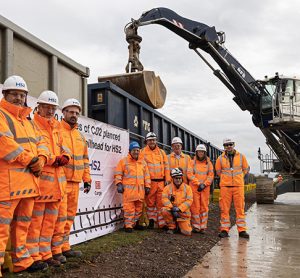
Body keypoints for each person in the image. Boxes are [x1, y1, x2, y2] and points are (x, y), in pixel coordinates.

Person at [0, 75, 49, 273]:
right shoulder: (2, 115)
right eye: (15, 94)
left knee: (23, 226)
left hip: (28, 183)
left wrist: (42, 159)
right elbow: (4, 143)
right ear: (5, 94)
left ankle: (22, 262)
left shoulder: (28, 121)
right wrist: (31, 160)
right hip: (7, 184)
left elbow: (42, 143)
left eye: (22, 95)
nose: (19, 98)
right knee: (1, 229)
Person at [26, 91, 70, 267]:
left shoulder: (57, 127)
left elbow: (63, 147)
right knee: (35, 222)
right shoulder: (32, 125)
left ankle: (46, 254)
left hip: (57, 186)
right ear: (39, 107)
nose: (50, 111)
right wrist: (54, 159)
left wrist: (66, 156)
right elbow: (37, 150)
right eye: (47, 107)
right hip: (41, 183)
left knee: (50, 223)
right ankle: (34, 256)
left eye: (53, 108)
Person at [52, 98, 91, 262]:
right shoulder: (56, 130)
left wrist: (86, 178)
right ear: (64, 112)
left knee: (69, 217)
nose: (74, 115)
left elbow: (85, 159)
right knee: (58, 218)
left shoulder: (80, 136)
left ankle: (64, 247)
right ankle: (55, 250)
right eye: (71, 112)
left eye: (76, 113)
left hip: (75, 183)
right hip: (60, 182)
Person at [215, 138, 250, 239]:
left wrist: (239, 178)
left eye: (230, 144)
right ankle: (224, 230)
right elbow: (218, 172)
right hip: (225, 187)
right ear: (224, 147)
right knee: (224, 209)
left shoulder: (241, 157)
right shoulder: (220, 159)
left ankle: (242, 230)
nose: (229, 146)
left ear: (234, 145)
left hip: (238, 186)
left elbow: (245, 169)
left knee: (240, 209)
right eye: (226, 145)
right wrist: (227, 179)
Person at [114, 141, 151, 232]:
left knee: (138, 209)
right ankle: (128, 226)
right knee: (129, 210)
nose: (136, 152)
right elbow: (118, 174)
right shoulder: (123, 161)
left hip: (140, 191)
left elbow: (147, 176)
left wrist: (148, 186)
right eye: (134, 150)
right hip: (129, 192)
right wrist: (119, 184)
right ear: (130, 151)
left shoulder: (143, 163)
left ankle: (134, 224)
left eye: (137, 150)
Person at [141, 132, 171, 229]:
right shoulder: (142, 152)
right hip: (150, 182)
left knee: (161, 203)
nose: (152, 142)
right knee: (150, 203)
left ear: (156, 141)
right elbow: (141, 168)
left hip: (161, 182)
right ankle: (151, 221)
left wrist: (167, 179)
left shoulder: (162, 153)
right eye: (150, 140)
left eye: (153, 140)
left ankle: (161, 223)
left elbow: (166, 167)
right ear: (147, 141)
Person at [187, 144, 214, 233]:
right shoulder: (192, 162)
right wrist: (198, 184)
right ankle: (196, 226)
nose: (200, 153)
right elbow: (189, 174)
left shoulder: (209, 163)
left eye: (202, 151)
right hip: (195, 188)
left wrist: (205, 184)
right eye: (199, 151)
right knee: (195, 207)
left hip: (205, 189)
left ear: (205, 153)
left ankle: (203, 227)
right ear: (196, 152)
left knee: (204, 207)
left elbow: (211, 176)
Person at [161, 168, 193, 235]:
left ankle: (179, 225)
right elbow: (164, 199)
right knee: (164, 210)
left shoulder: (187, 188)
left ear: (182, 178)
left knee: (187, 233)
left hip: (183, 213)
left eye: (179, 178)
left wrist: (179, 209)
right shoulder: (167, 188)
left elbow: (189, 201)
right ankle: (172, 227)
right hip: (171, 211)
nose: (178, 180)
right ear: (173, 178)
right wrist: (172, 208)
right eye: (176, 178)